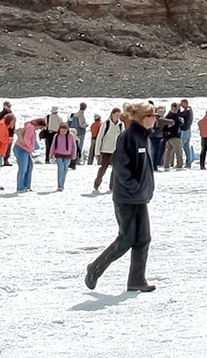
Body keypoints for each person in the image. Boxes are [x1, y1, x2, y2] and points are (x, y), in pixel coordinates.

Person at [86, 102, 157, 294]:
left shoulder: (145, 138)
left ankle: (136, 280)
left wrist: (146, 189)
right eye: (152, 115)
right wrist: (134, 186)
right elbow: (121, 167)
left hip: (140, 198)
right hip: (126, 198)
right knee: (126, 239)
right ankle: (94, 268)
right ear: (143, 118)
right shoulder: (128, 137)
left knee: (143, 239)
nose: (155, 118)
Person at [53, 114, 78, 189]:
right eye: (61, 130)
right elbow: (53, 146)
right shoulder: (56, 136)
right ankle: (60, 185)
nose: (63, 131)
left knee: (65, 169)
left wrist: (73, 155)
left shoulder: (70, 136)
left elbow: (74, 146)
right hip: (59, 154)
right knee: (60, 169)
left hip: (68, 155)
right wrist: (51, 155)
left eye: (64, 130)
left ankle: (62, 183)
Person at [16, 114, 40, 193]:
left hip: (24, 149)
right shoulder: (31, 128)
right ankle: (20, 187)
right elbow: (26, 140)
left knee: (29, 167)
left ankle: (26, 186)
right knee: (23, 168)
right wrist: (31, 147)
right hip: (22, 149)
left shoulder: (29, 126)